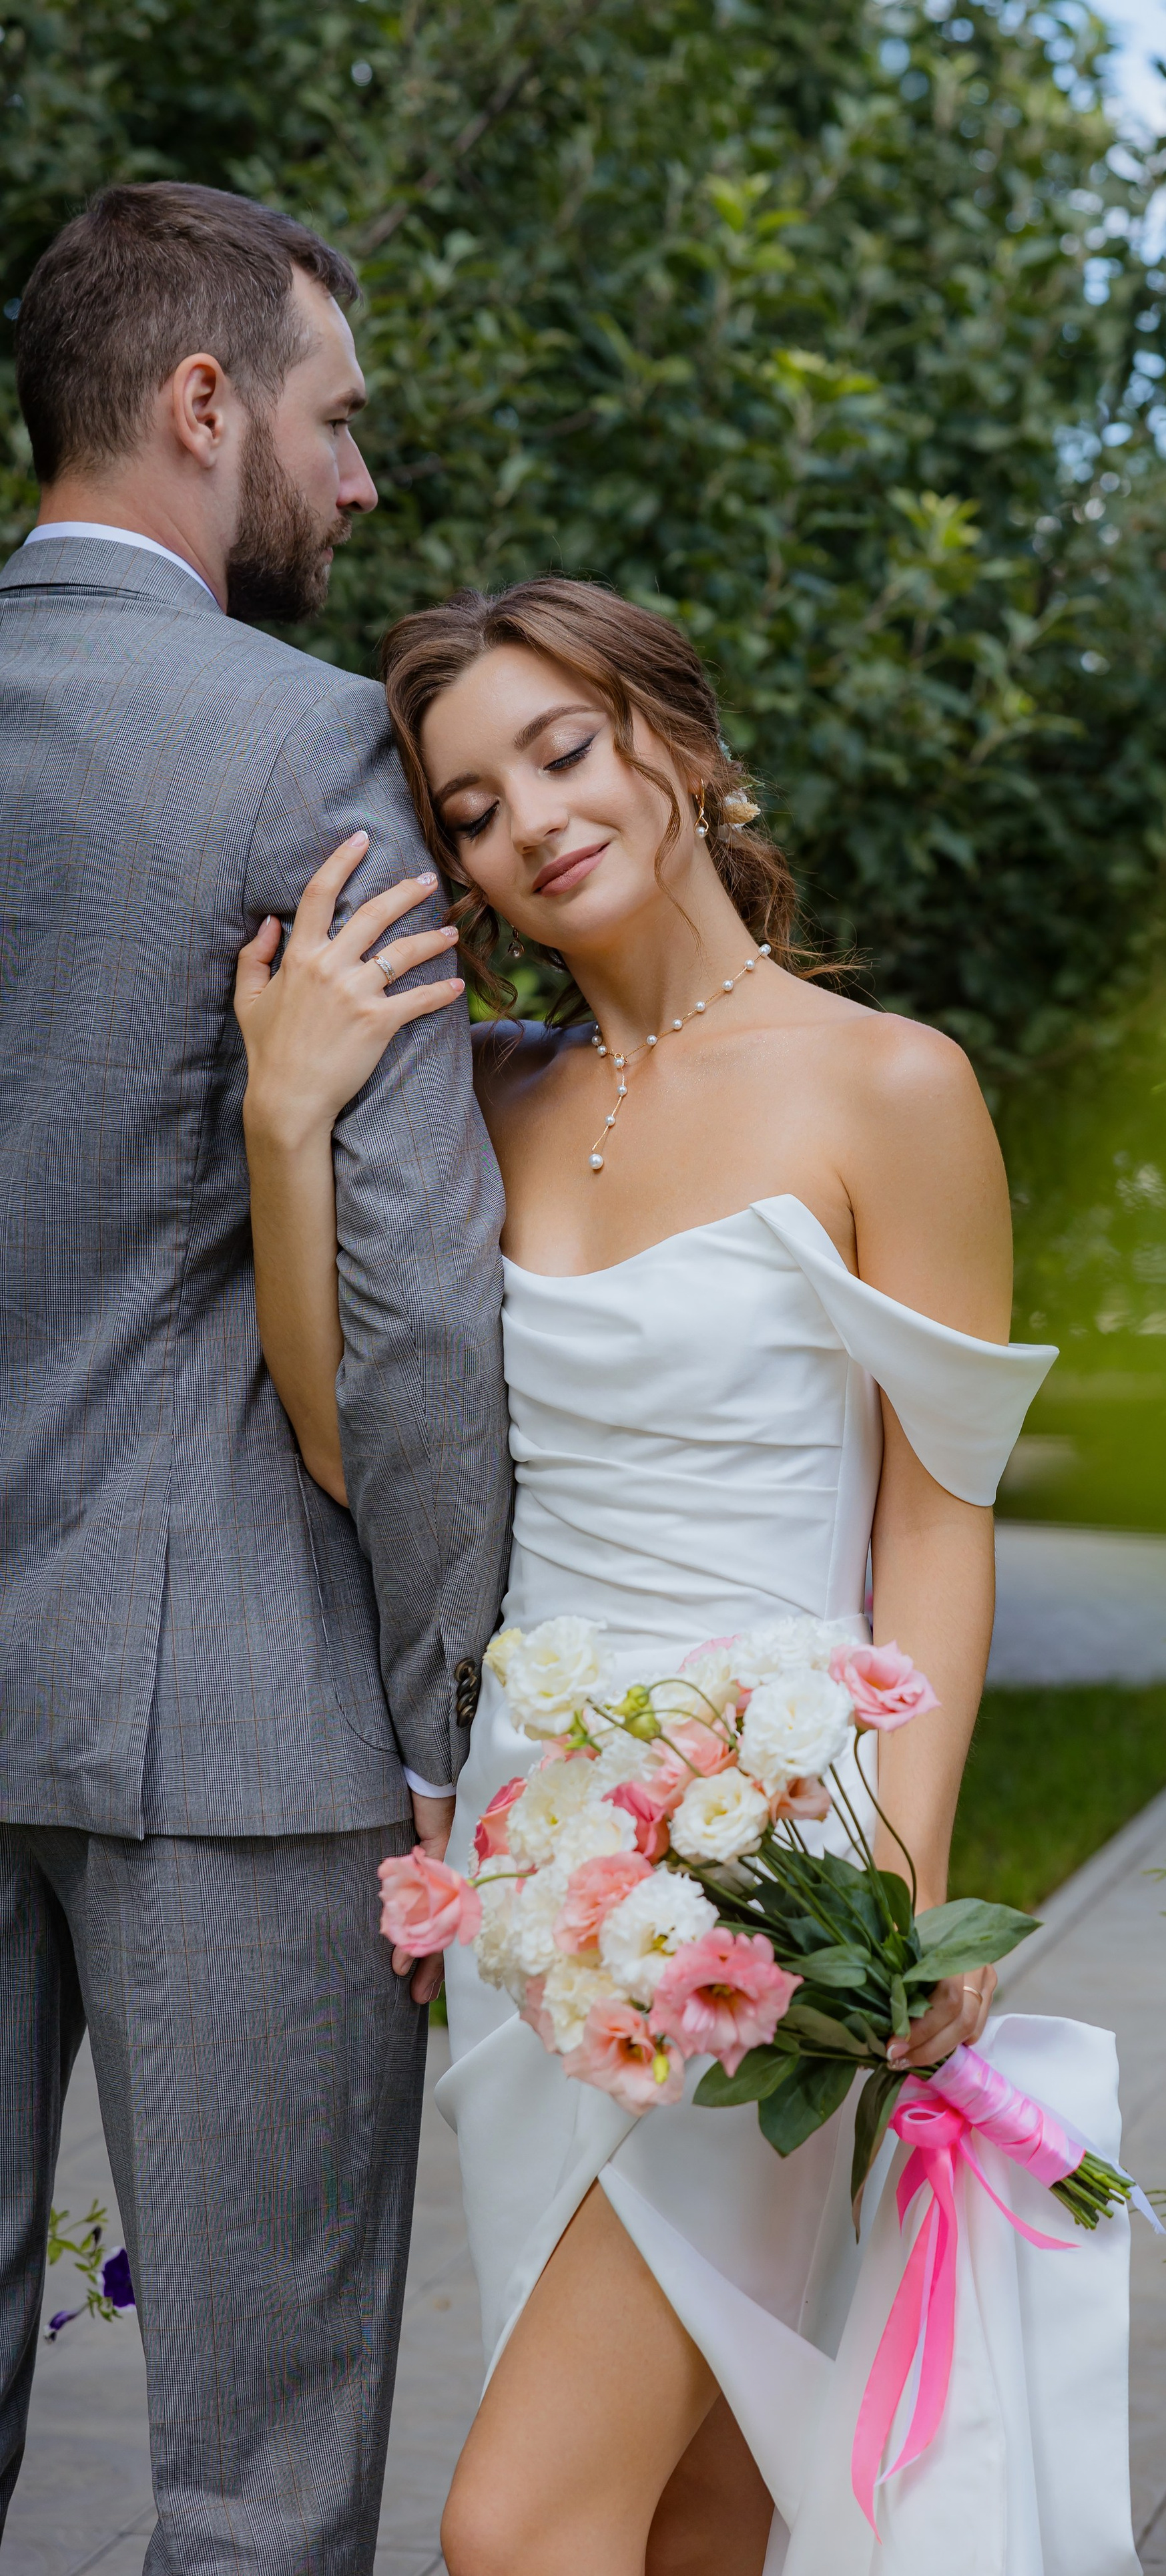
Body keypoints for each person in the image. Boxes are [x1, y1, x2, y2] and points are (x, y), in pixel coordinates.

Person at [236, 577, 1143, 2574]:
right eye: (468, 807)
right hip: (523, 1862)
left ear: (681, 740)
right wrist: (288, 1126)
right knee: (697, 2501)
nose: (528, 818)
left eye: (563, 748)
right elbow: (342, 1446)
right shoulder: (475, 1096)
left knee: (519, 2520)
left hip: (768, 1861)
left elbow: (938, 1518)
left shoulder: (887, 1086)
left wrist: (903, 1882)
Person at [0, 185, 511, 2568]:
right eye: (338, 421)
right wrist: (460, 1722)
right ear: (205, 407)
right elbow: (408, 1305)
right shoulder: (309, 747)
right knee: (256, 2462)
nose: (361, 483)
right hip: (242, 1720)